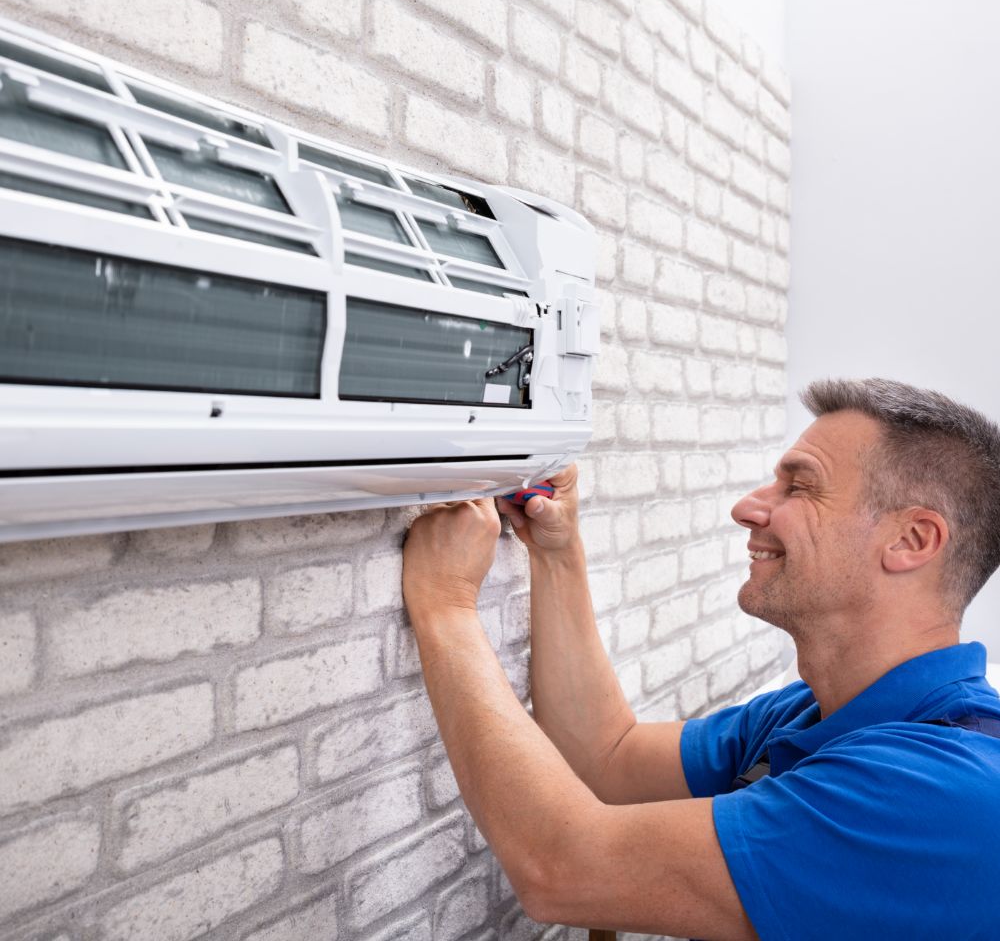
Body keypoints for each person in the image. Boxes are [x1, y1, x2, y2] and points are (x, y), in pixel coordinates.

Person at [401, 378, 1000, 940]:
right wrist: (556, 553)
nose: (748, 507)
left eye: (800, 486)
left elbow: (564, 868)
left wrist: (446, 607)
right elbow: (606, 760)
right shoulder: (816, 713)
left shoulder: (941, 793)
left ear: (911, 540)